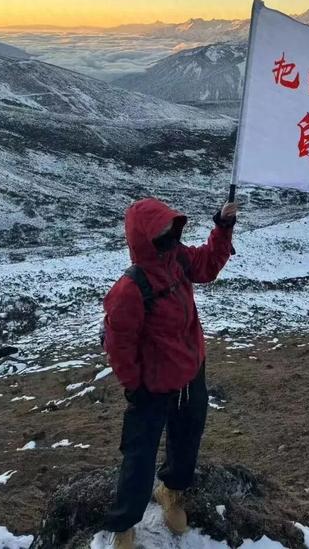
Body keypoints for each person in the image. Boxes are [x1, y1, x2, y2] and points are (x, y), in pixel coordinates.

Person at [101, 196, 238, 549]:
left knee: (187, 440)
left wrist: (222, 227)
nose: (170, 235)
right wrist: (134, 385)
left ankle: (171, 493)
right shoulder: (129, 289)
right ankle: (125, 524)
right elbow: (119, 345)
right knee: (139, 455)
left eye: (172, 228)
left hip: (191, 372)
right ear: (143, 239)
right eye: (161, 232)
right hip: (153, 386)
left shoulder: (176, 258)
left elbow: (207, 266)